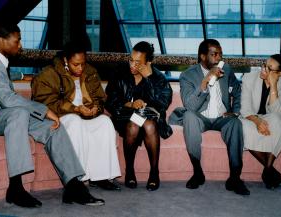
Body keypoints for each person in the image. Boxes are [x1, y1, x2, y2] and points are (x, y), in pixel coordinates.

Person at [0, 23, 105, 207]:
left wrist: (20, 76)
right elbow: (7, 100)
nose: (20, 45)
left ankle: (73, 185)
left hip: (8, 114)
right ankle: (16, 188)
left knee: (53, 126)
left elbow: (0, 81)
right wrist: (44, 110)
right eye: (17, 40)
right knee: (19, 113)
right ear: (2, 40)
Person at [31, 41, 121, 190]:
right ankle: (78, 178)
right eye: (75, 64)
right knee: (74, 121)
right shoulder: (48, 74)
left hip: (84, 116)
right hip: (61, 117)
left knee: (105, 122)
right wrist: (75, 109)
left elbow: (100, 98)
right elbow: (45, 103)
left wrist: (96, 108)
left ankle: (100, 177)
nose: (80, 68)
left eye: (83, 64)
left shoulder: (90, 72)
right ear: (66, 60)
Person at [169, 39, 249, 195]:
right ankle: (198, 172)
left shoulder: (226, 69)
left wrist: (236, 111)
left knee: (235, 123)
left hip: (222, 117)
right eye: (214, 54)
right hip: (200, 117)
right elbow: (190, 106)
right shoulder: (188, 75)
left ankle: (235, 178)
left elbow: (238, 91)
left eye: (220, 54)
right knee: (189, 117)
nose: (219, 58)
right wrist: (205, 81)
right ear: (203, 56)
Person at [105, 41, 173, 191]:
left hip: (150, 121)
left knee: (148, 125)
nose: (132, 65)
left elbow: (163, 103)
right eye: (131, 60)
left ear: (148, 62)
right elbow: (110, 101)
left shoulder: (157, 77)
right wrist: (130, 104)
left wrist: (148, 79)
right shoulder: (120, 73)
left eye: (138, 62)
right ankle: (130, 170)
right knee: (133, 125)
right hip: (125, 119)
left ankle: (154, 172)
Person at [240, 54, 281, 189]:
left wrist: (274, 86)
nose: (264, 69)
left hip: (273, 118)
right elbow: (245, 109)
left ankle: (268, 169)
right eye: (264, 65)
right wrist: (258, 121)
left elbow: (279, 112)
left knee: (276, 121)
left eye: (269, 68)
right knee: (242, 127)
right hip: (251, 117)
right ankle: (270, 170)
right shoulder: (249, 78)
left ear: (279, 73)